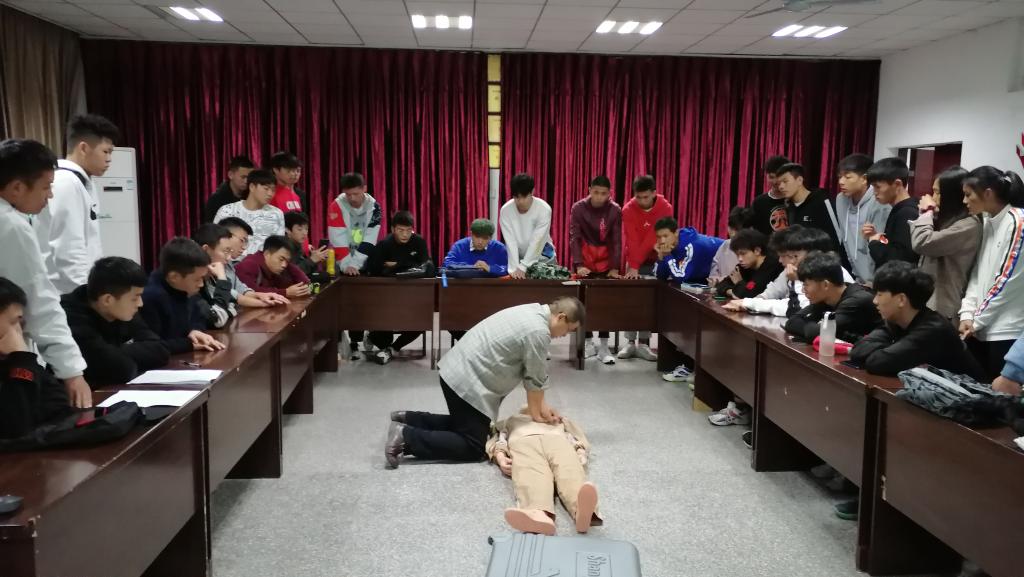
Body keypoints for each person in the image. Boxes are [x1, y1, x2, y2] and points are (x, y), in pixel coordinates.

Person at [384, 297, 585, 468]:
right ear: (561, 317)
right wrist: (539, 417)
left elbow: (536, 378)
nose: (564, 336)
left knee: (468, 425)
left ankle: (409, 419)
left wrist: (544, 408)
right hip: (467, 380)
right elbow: (534, 380)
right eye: (568, 330)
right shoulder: (539, 332)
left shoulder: (533, 310)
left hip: (458, 369)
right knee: (474, 445)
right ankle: (406, 437)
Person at [0, 138, 91, 408]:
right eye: (45, 186)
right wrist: (71, 371)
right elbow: (39, 302)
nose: (50, 195)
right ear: (17, 187)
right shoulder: (10, 225)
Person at [850, 261, 985, 380]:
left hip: (968, 397)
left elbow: (876, 363)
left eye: (879, 294)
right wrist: (889, 349)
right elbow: (857, 351)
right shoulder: (896, 321)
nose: (875, 301)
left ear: (901, 300)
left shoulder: (933, 330)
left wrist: (886, 349)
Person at [34, 114, 119, 295]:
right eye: (106, 151)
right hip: (66, 292)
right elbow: (68, 250)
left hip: (74, 288)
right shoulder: (66, 182)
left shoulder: (81, 181)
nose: (109, 159)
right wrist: (86, 295)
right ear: (83, 148)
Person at [488, 408, 601, 535]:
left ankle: (582, 509)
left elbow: (572, 437)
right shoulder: (511, 421)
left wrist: (580, 450)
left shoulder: (556, 420)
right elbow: (499, 439)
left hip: (556, 440)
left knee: (569, 469)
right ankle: (538, 513)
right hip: (524, 442)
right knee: (531, 473)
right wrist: (500, 455)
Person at [61, 257, 171, 387]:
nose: (140, 304)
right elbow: (123, 370)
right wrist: (122, 356)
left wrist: (114, 351)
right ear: (108, 300)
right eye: (135, 298)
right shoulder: (71, 316)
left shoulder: (121, 309)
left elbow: (161, 351)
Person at [958, 166, 1024, 380]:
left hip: (1007, 331)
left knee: (999, 396)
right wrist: (967, 314)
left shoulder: (1018, 222)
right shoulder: (987, 221)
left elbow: (1007, 280)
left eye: (968, 195)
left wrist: (977, 320)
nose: (965, 201)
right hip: (980, 328)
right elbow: (977, 274)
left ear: (987, 193)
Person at [722, 226, 856, 317]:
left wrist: (749, 303)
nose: (781, 261)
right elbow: (771, 292)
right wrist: (750, 304)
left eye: (792, 256)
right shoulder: (792, 269)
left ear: (813, 254)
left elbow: (800, 308)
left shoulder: (828, 271)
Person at [0, 277, 71, 439]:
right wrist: (21, 358)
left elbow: (58, 402)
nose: (18, 331)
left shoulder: (8, 358)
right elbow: (14, 428)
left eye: (20, 322)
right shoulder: (18, 357)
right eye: (13, 322)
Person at [909, 166, 982, 323]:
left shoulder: (968, 225)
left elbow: (922, 242)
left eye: (937, 192)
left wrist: (926, 213)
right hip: (929, 301)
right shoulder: (947, 220)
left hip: (944, 307)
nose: (932, 197)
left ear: (951, 195)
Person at [365, 211, 433, 365]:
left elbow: (427, 267)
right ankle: (375, 339)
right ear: (393, 229)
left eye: (409, 230)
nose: (405, 234)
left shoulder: (419, 242)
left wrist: (397, 265)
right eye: (401, 230)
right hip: (386, 299)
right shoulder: (384, 244)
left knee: (421, 323)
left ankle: (392, 349)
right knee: (383, 337)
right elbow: (374, 270)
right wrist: (409, 265)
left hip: (412, 297)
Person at [619, 175, 673, 360]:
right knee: (632, 300)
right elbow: (632, 239)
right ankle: (629, 343)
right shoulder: (628, 209)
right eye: (638, 197)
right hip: (634, 258)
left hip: (657, 258)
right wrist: (634, 266)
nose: (642, 201)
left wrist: (637, 263)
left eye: (646, 197)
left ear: (654, 193)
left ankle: (643, 343)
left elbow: (652, 237)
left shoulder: (665, 208)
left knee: (648, 301)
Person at [140, 238, 226, 355]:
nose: (201, 284)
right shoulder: (150, 297)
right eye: (197, 279)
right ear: (174, 277)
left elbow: (199, 318)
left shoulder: (185, 288)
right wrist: (188, 344)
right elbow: (151, 346)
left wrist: (195, 330)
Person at [570, 176, 622, 365]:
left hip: (606, 260)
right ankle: (588, 343)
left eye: (604, 193)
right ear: (589, 190)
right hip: (585, 258)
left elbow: (616, 240)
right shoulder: (578, 208)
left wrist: (614, 267)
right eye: (596, 192)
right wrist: (578, 264)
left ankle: (604, 347)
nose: (599, 197)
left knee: (604, 304)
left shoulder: (615, 210)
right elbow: (575, 237)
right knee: (584, 303)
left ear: (609, 193)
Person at [782, 251, 881, 344]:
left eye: (806, 285)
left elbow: (816, 332)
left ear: (825, 285)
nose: (803, 290)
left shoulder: (856, 301)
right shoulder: (827, 298)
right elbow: (792, 322)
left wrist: (813, 327)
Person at [834, 153, 890, 284]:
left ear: (864, 179)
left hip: (879, 279)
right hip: (858, 277)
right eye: (840, 177)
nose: (841, 182)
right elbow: (847, 241)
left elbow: (881, 244)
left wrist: (873, 281)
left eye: (847, 177)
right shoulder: (841, 200)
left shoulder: (879, 202)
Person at [215, 217, 290, 308]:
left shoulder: (229, 263)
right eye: (242, 240)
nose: (244, 247)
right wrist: (263, 303)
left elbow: (240, 288)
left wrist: (260, 295)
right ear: (226, 236)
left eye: (246, 242)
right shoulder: (212, 263)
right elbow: (230, 294)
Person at [213, 169, 285, 257]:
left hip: (261, 263)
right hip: (230, 261)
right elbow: (215, 240)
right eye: (266, 189)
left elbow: (278, 246)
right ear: (252, 187)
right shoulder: (227, 210)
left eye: (273, 190)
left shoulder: (276, 214)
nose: (270, 194)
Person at [777, 162, 843, 257]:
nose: (781, 187)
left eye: (785, 181)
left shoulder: (821, 201)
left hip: (824, 260)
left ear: (799, 180)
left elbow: (838, 237)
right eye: (779, 183)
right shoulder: (789, 208)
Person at [863, 157, 919, 268]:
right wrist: (877, 237)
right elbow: (894, 245)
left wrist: (874, 243)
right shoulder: (901, 209)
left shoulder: (907, 213)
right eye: (873, 187)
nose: (874, 192)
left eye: (878, 187)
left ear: (897, 184)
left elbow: (900, 260)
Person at [500, 173, 556, 279]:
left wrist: (524, 266)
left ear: (532, 192)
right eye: (517, 197)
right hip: (519, 260)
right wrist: (514, 268)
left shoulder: (544, 209)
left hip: (544, 257)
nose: (520, 201)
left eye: (524, 197)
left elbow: (537, 240)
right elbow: (510, 242)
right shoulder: (505, 210)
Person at [329, 172, 383, 277]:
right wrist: (346, 266)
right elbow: (337, 239)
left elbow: (370, 239)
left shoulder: (375, 207)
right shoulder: (336, 206)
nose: (352, 198)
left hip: (366, 260)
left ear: (364, 189)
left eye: (356, 194)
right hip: (342, 263)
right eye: (348, 194)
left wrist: (354, 264)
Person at [714, 228, 783, 300]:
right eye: (737, 255)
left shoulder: (772, 265)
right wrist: (732, 292)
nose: (740, 259)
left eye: (743, 254)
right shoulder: (744, 266)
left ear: (757, 251)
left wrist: (738, 282)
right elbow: (721, 286)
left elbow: (750, 295)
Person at [235, 235, 311, 298]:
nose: (284, 265)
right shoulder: (248, 265)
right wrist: (285, 292)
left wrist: (305, 289)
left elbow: (305, 282)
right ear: (267, 254)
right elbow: (249, 293)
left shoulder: (280, 266)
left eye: (287, 261)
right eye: (281, 259)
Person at [653, 217, 724, 284]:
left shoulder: (691, 246)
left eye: (665, 236)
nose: (662, 241)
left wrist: (667, 256)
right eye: (659, 237)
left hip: (727, 253)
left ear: (676, 233)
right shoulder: (670, 246)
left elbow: (680, 277)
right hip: (703, 275)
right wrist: (661, 258)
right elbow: (660, 276)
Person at [442, 218, 508, 277]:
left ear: (490, 238)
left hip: (492, 286)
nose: (480, 242)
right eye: (477, 237)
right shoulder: (459, 246)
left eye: (485, 238)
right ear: (471, 234)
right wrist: (471, 267)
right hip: (463, 285)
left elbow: (509, 269)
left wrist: (490, 268)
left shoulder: (499, 248)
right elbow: (446, 264)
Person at [709, 206, 755, 286]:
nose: (733, 234)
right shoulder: (725, 245)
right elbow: (712, 277)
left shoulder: (754, 251)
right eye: (731, 228)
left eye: (737, 230)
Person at [203, 155, 254, 223]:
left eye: (249, 177)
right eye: (243, 177)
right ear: (230, 175)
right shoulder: (216, 200)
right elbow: (210, 227)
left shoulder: (252, 196)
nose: (246, 181)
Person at [750, 155, 791, 236]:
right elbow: (754, 233)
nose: (775, 181)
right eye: (771, 177)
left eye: (779, 177)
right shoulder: (759, 202)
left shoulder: (797, 200)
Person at [284, 211, 329, 276]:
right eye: (300, 229)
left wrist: (316, 259)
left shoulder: (297, 244)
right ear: (287, 230)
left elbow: (306, 272)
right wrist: (311, 260)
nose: (305, 233)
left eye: (306, 229)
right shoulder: (283, 248)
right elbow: (290, 274)